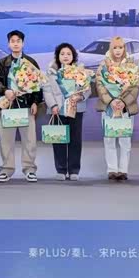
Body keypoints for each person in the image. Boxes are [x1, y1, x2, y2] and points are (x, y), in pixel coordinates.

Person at [0, 30, 43, 183]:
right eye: (12, 41)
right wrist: (5, 90)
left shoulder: (30, 62)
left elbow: (38, 84)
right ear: (8, 44)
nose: (15, 44)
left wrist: (35, 102)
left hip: (26, 105)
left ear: (23, 43)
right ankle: (6, 169)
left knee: (29, 140)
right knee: (6, 140)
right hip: (8, 106)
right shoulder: (2, 63)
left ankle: (29, 169)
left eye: (18, 41)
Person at [42, 43, 91, 181]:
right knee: (59, 140)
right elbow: (47, 90)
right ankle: (61, 169)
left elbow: (87, 89)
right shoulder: (51, 72)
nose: (65, 56)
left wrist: (80, 97)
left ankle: (74, 170)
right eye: (62, 54)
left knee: (75, 140)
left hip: (76, 108)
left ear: (73, 56)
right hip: (57, 110)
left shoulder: (80, 71)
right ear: (57, 56)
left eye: (69, 54)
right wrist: (53, 105)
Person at [95, 36, 139, 181]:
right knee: (109, 139)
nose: (118, 50)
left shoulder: (131, 65)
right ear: (111, 49)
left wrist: (123, 101)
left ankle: (123, 170)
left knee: (125, 139)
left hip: (126, 108)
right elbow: (100, 85)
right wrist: (111, 101)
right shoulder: (103, 65)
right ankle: (112, 169)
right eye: (115, 47)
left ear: (124, 49)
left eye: (121, 47)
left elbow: (135, 86)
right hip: (109, 107)